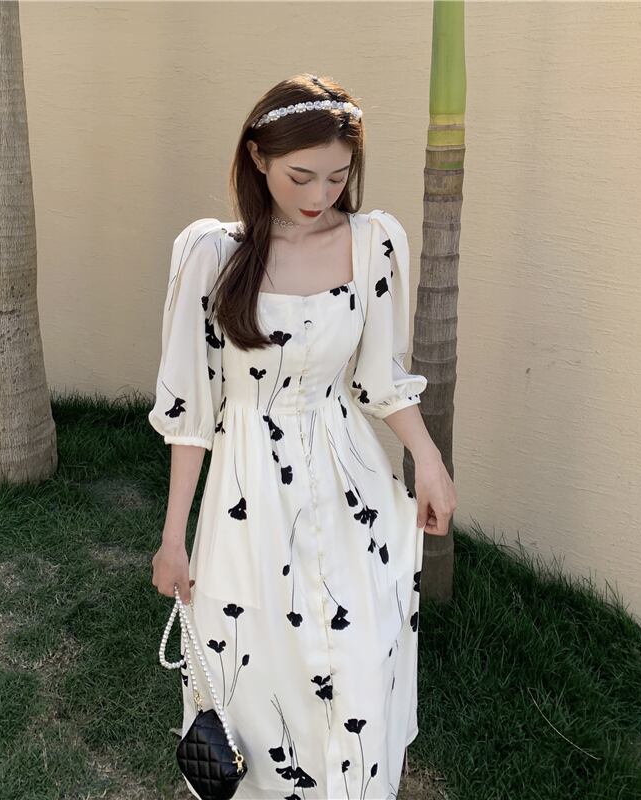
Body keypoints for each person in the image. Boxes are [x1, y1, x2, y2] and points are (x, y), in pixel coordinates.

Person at [149, 72, 457, 800]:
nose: (321, 194)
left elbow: (380, 380)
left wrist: (428, 459)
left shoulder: (371, 243)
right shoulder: (212, 256)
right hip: (249, 494)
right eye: (301, 176)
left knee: (357, 656)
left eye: (338, 176)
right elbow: (192, 412)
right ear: (257, 158)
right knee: (260, 669)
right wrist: (173, 537)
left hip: (351, 484)